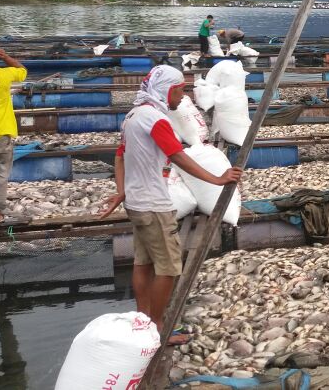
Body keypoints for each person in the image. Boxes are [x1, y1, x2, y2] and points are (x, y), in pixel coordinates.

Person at [99, 65, 242, 343]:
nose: (182, 96)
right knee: (168, 267)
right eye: (180, 90)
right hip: (154, 205)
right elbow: (178, 156)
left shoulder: (133, 115)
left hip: (137, 204)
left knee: (143, 263)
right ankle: (159, 329)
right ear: (166, 90)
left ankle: (144, 320)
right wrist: (217, 178)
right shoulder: (156, 119)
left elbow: (119, 156)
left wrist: (121, 192)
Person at [0, 49, 26, 226]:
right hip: (2, 132)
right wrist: (7, 57)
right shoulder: (4, 75)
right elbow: (22, 71)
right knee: (0, 174)